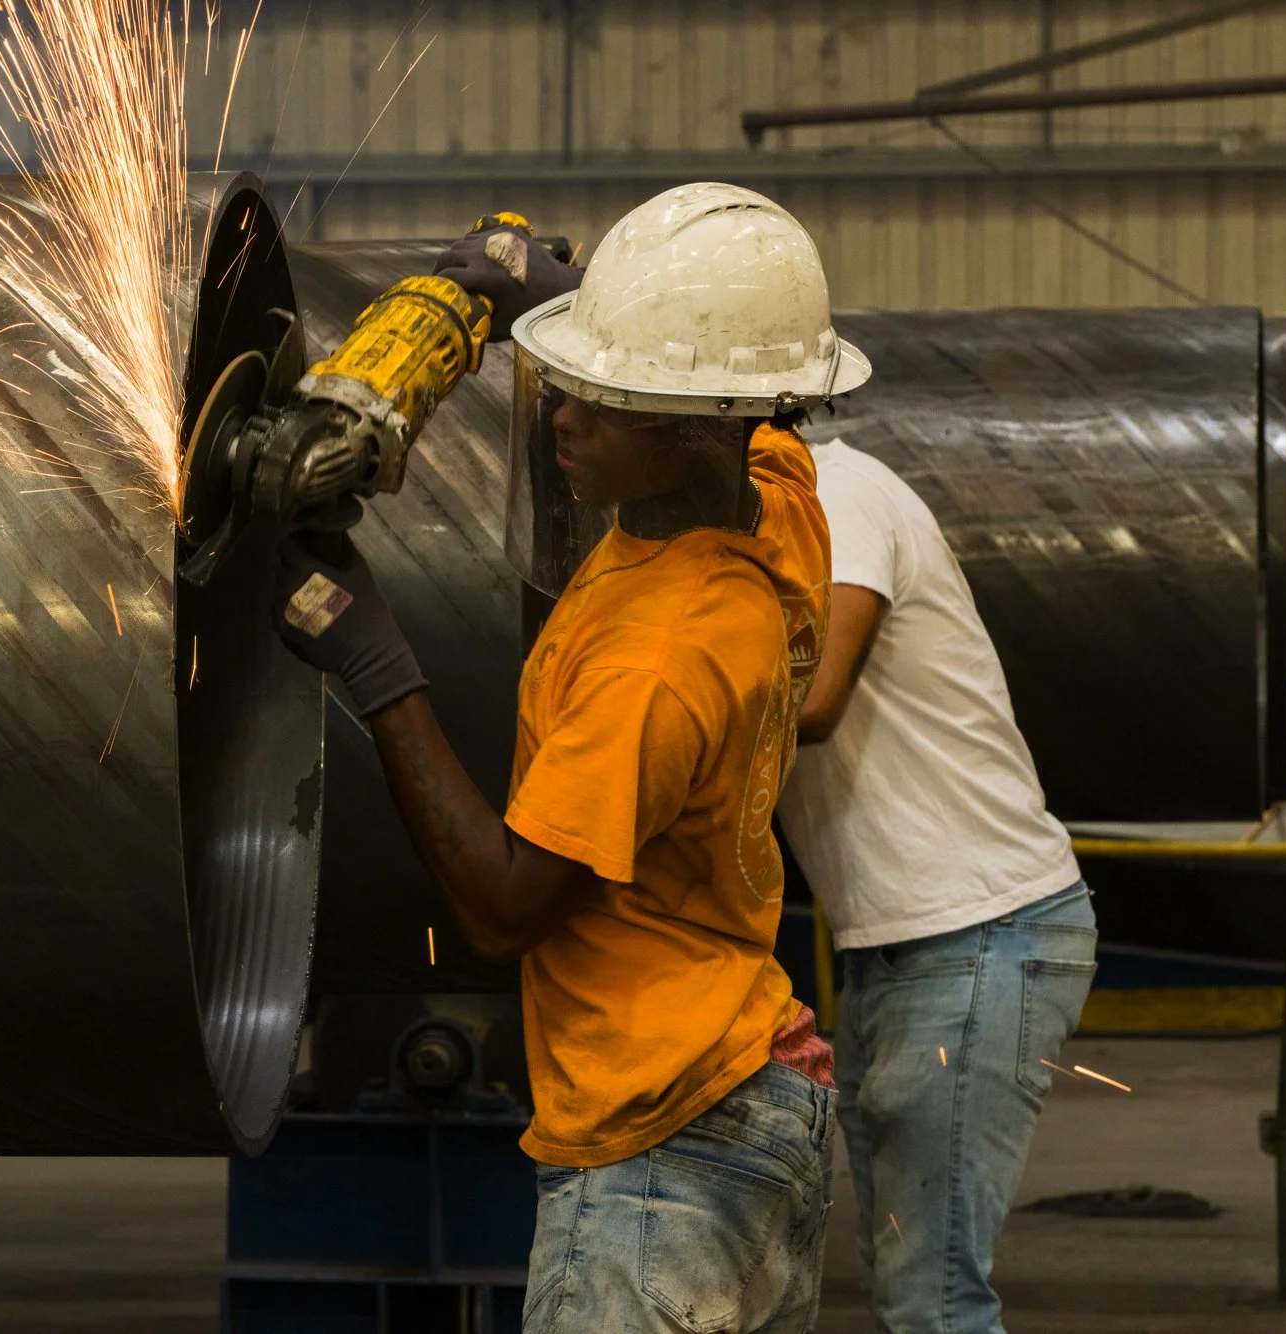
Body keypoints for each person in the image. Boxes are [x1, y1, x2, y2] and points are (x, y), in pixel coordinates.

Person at [273, 184, 866, 1333]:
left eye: (603, 400)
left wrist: (374, 659)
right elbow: (743, 395)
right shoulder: (771, 506)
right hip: (756, 1082)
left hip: (664, 1142)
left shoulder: (657, 659)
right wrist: (542, 294)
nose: (559, 415)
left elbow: (501, 906)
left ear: (692, 424)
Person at [777, 434, 1099, 1334]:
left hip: (981, 930)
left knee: (936, 1302)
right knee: (908, 1282)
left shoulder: (833, 497)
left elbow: (813, 700)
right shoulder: (762, 518)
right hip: (897, 946)